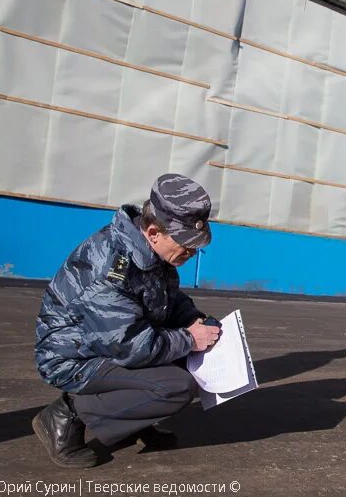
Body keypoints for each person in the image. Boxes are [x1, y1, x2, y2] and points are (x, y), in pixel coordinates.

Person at [33, 173, 221, 468]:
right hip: (73, 357)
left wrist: (195, 320)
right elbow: (128, 345)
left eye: (196, 244)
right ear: (153, 231)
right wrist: (188, 339)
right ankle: (65, 414)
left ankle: (134, 421)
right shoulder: (111, 265)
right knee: (176, 386)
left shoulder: (152, 251)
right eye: (185, 242)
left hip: (110, 343)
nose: (191, 251)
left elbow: (168, 300)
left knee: (192, 353)